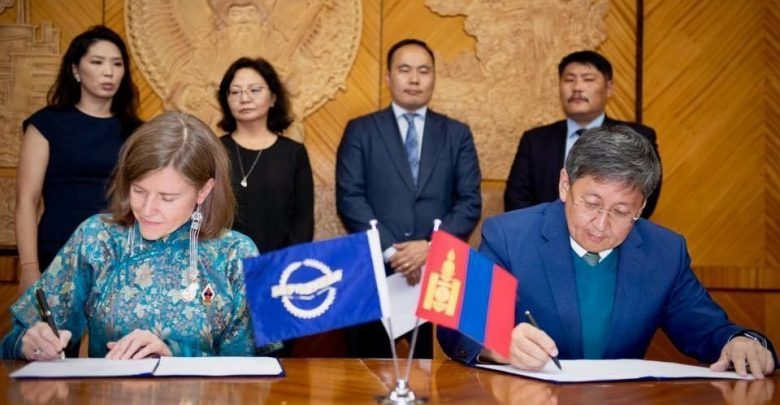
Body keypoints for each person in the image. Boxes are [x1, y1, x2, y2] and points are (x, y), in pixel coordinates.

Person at [439, 126, 777, 378]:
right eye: (591, 203)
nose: (601, 225)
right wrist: (498, 343)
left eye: (620, 211)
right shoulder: (509, 235)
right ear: (565, 185)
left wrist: (741, 342)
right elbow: (456, 326)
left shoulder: (664, 253)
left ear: (641, 207)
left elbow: (708, 329)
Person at [2, 112, 279, 360]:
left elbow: (254, 367)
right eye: (139, 190)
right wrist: (29, 343)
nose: (147, 209)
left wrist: (174, 357)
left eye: (167, 198)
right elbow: (15, 341)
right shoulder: (98, 238)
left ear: (204, 191)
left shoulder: (236, 253)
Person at [337, 38, 482, 358]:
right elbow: (350, 198)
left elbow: (469, 201)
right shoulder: (360, 130)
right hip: (375, 272)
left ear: (434, 77)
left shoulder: (457, 133)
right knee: (367, 371)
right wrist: (395, 253)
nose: (414, 79)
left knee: (439, 371)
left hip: (439, 272)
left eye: (423, 71)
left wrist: (430, 248)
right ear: (388, 78)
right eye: (404, 70)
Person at [16, 25, 143, 296]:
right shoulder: (46, 124)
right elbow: (27, 199)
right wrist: (28, 267)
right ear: (75, 69)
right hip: (58, 250)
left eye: (117, 64)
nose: (108, 72)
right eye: (97, 62)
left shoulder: (137, 131)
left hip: (121, 255)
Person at [504, 50, 661, 218]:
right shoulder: (535, 141)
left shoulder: (637, 137)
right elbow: (516, 199)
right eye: (569, 80)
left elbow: (646, 194)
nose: (577, 88)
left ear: (609, 88)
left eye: (588, 79)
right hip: (544, 231)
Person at [217, 57, 313, 254]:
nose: (244, 98)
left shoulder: (294, 153)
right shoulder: (213, 150)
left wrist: (284, 263)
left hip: (280, 263)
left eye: (254, 90)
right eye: (235, 91)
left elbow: (303, 221)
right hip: (223, 262)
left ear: (273, 98)